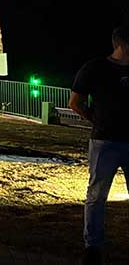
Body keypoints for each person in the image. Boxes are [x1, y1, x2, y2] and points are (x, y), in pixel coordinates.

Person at [70, 24, 129, 265]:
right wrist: (94, 119)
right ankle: (93, 248)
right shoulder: (95, 68)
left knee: (96, 196)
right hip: (105, 142)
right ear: (122, 45)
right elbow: (75, 101)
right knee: (96, 196)